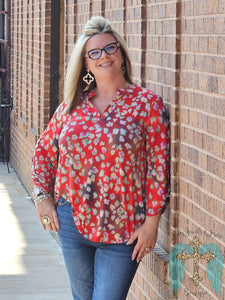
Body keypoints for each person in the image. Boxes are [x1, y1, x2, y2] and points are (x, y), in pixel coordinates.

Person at [32, 16, 170, 300]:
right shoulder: (72, 106)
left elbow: (158, 166)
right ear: (85, 63)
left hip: (124, 229)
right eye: (93, 52)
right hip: (72, 223)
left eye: (110, 48)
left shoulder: (146, 104)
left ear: (121, 54)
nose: (103, 56)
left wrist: (152, 222)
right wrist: (42, 196)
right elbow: (45, 151)